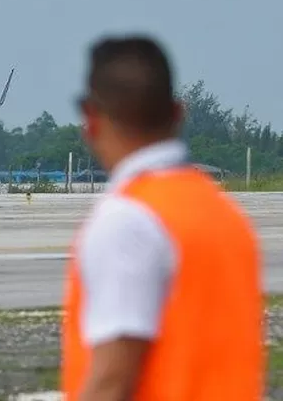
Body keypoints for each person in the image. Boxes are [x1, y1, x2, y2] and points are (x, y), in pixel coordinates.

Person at [61, 35, 264, 400]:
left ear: (90, 120)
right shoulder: (224, 213)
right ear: (178, 113)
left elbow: (111, 379)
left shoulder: (129, 218)